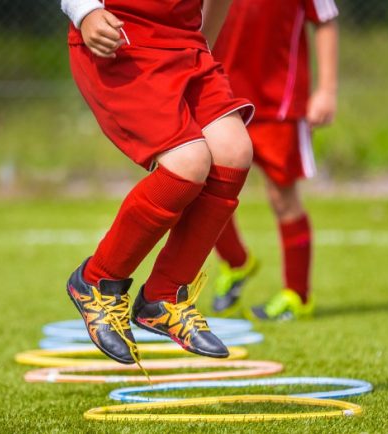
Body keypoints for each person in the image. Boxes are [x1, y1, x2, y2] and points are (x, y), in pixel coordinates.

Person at [60, 0, 255, 364]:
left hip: (185, 44)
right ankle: (97, 281)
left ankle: (165, 295)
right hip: (120, 39)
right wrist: (84, 12)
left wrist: (201, 45)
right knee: (188, 163)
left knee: (234, 151)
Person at [208, 0, 339, 321]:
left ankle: (297, 295)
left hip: (278, 101)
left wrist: (326, 90)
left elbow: (325, 20)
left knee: (282, 196)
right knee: (202, 187)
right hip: (217, 94)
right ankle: (236, 262)